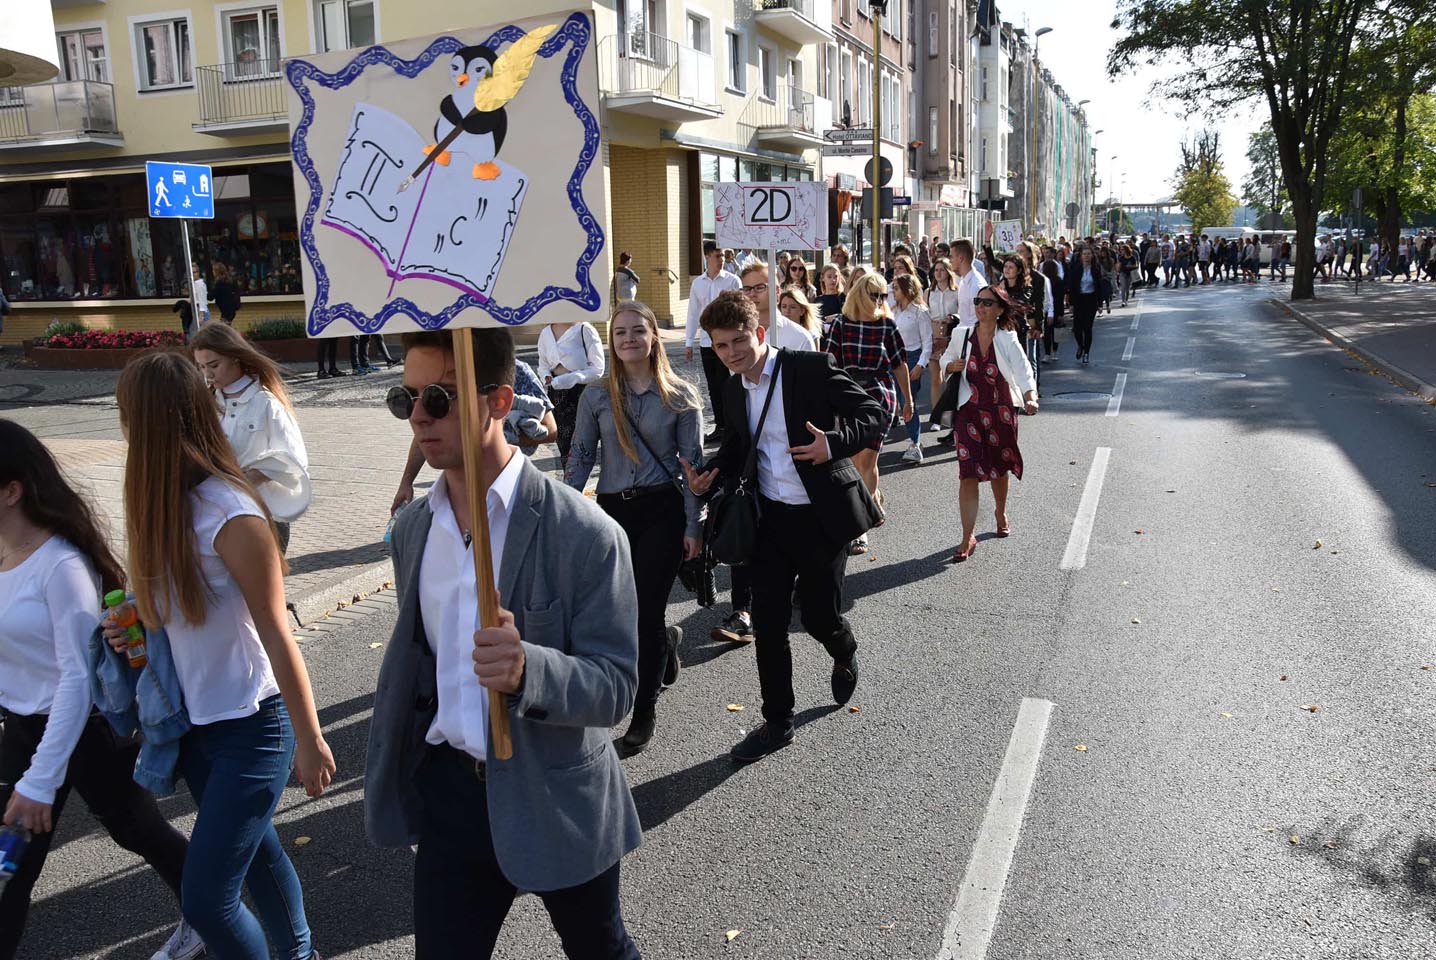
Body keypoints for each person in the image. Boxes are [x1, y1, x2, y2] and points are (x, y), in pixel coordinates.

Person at [365, 327, 642, 959]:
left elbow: (616, 688)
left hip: (555, 788)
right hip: (453, 795)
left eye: (439, 397)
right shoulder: (413, 530)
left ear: (499, 400)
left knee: (601, 949)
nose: (418, 417)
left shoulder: (586, 533)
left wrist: (527, 671)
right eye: (405, 398)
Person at [110, 353, 334, 960]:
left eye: (127, 414)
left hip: (255, 726)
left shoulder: (230, 510)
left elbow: (277, 631)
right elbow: (170, 622)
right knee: (259, 858)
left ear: (150, 422)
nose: (122, 427)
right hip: (198, 727)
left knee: (207, 901)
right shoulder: (159, 507)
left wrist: (311, 739)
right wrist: (130, 631)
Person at [0, 421, 203, 960]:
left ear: (11, 490)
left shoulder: (61, 566)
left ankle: (213, 914)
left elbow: (76, 677)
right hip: (21, 728)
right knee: (9, 865)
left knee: (138, 831)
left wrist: (41, 780)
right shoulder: (2, 554)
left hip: (86, 730)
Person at [680, 292, 882, 763]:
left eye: (739, 340)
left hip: (821, 517)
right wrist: (710, 474)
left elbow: (872, 413)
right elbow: (738, 445)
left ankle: (843, 647)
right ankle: (777, 721)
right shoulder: (732, 388)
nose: (732, 353)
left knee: (818, 616)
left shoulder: (808, 368)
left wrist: (833, 444)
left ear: (760, 333)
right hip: (769, 519)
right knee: (768, 624)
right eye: (721, 345)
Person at [567, 302, 702, 756]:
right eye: (620, 331)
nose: (628, 338)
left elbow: (692, 470)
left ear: (653, 337)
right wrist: (563, 511)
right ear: (611, 340)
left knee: (645, 612)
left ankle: (644, 709)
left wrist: (693, 525)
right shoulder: (596, 395)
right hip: (612, 512)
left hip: (662, 510)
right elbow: (580, 457)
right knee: (619, 614)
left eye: (637, 330)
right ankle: (666, 643)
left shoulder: (680, 396)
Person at [190, 324, 312, 554]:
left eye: (214, 365)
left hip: (262, 513)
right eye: (202, 367)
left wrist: (247, 479)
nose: (208, 374)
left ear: (235, 357)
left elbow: (294, 460)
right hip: (219, 515)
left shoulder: (265, 403)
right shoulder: (206, 404)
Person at [942, 285, 1038, 562]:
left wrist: (1030, 396)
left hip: (1000, 412)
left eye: (987, 303)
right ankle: (967, 536)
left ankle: (1000, 511)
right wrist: (950, 365)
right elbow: (946, 358)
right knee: (967, 473)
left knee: (999, 468)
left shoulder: (1007, 338)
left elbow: (1023, 368)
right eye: (978, 301)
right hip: (968, 412)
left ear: (999, 309)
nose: (980, 307)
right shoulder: (962, 335)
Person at [390, 358, 556, 514]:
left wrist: (503, 439)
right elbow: (427, 431)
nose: (416, 417)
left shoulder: (517, 371)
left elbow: (551, 430)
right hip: (462, 487)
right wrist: (406, 483)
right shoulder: (448, 370)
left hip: (507, 485)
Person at [824, 273, 913, 555]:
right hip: (848, 394)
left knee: (867, 459)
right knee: (852, 460)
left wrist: (908, 401)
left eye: (883, 295)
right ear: (860, 294)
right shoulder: (840, 324)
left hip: (878, 393)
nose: (879, 300)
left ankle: (859, 528)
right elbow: (829, 364)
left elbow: (899, 364)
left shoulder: (886, 325)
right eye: (874, 295)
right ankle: (870, 497)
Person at [686, 240, 743, 444]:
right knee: (713, 386)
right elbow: (693, 313)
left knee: (729, 383)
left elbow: (741, 310)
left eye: (723, 256)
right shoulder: (698, 283)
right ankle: (720, 425)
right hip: (706, 342)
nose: (722, 260)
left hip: (728, 342)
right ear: (707, 256)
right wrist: (688, 341)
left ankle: (734, 425)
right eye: (718, 256)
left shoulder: (733, 281)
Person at [538, 316, 605, 464]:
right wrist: (546, 376)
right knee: (564, 442)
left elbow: (597, 368)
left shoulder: (585, 329)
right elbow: (543, 363)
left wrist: (572, 378)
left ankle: (581, 474)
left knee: (584, 441)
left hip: (581, 393)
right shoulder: (546, 332)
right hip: (556, 394)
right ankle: (568, 475)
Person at [889, 274, 932, 464]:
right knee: (894, 400)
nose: (893, 291)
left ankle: (915, 443)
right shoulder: (893, 310)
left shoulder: (920, 312)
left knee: (908, 400)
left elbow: (927, 342)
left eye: (897, 288)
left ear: (907, 289)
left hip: (912, 358)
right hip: (893, 358)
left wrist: (921, 365)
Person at [741, 261, 817, 351]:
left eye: (760, 287)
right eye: (747, 289)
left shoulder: (800, 337)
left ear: (776, 291)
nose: (752, 294)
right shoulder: (734, 333)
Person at [927, 258, 962, 403]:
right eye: (936, 270)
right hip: (934, 334)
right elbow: (924, 315)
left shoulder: (957, 291)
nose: (939, 273)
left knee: (951, 377)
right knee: (935, 378)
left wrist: (954, 317)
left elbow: (964, 313)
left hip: (951, 333)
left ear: (948, 272)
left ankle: (950, 412)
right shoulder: (929, 292)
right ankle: (936, 412)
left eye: (942, 270)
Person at [1066, 246, 1106, 364]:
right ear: (1081, 256)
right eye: (1084, 254)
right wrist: (1071, 304)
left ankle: (1087, 353)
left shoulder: (1096, 269)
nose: (1086, 256)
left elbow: (1099, 287)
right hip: (1079, 300)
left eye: (1088, 254)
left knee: (1087, 328)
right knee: (1077, 328)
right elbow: (1072, 287)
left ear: (1092, 255)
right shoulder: (1076, 269)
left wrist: (1100, 304)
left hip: (1091, 300)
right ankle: (1080, 345)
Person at [1116, 242, 1138, 307]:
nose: (1121, 251)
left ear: (1126, 250)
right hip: (1122, 273)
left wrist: (1130, 266)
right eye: (1121, 249)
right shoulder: (1121, 257)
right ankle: (1123, 301)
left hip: (1130, 273)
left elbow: (1136, 265)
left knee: (1127, 288)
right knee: (1123, 287)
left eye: (1122, 249)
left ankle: (1126, 300)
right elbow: (1119, 265)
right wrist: (1117, 271)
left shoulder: (1132, 257)